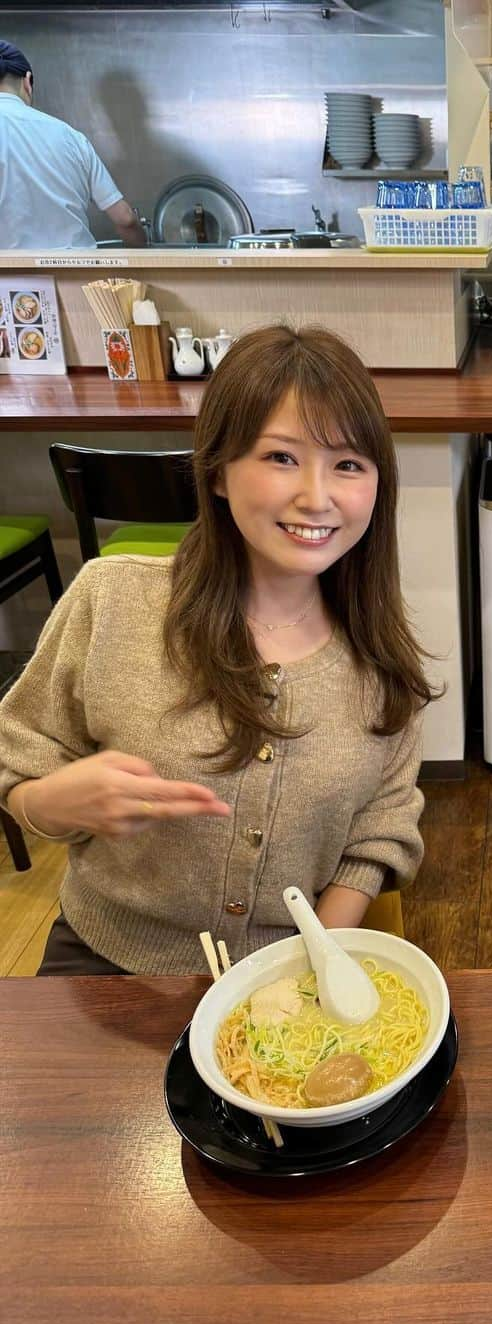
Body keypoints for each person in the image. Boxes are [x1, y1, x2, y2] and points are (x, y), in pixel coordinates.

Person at [0, 324, 436, 974]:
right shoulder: (113, 600)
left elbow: (381, 830)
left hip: (289, 976)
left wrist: (311, 967)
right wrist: (50, 801)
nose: (316, 497)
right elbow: (18, 758)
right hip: (108, 966)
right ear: (219, 472)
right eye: (280, 457)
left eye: (347, 464)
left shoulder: (381, 656)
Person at [0, 40, 146, 249]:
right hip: (78, 275)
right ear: (27, 82)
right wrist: (143, 262)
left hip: (8, 276)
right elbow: (126, 220)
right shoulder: (70, 136)